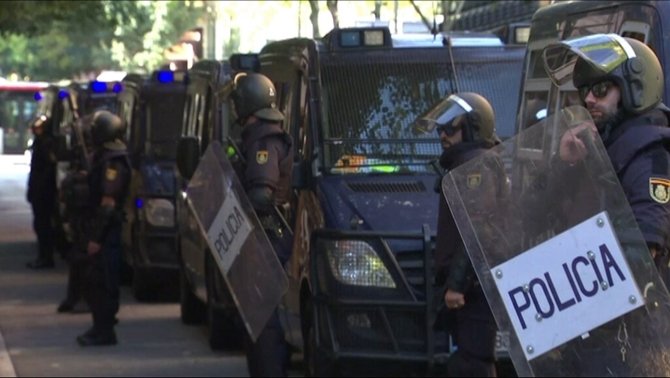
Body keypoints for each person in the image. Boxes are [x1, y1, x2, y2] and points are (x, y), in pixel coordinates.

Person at [541, 33, 670, 375]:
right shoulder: (603, 151)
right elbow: (542, 213)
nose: (589, 100)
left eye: (600, 90)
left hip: (631, 336)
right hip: (595, 328)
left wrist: (577, 292)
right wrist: (564, 164)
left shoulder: (648, 156)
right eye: (585, 93)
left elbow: (645, 244)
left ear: (634, 88)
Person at [424, 92, 505, 377]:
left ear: (472, 128)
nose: (443, 136)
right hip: (473, 285)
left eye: (450, 129)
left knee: (473, 363)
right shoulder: (466, 165)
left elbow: (479, 229)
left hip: (475, 289)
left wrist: (457, 283)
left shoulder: (476, 168)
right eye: (441, 129)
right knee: (469, 360)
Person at [230, 72, 293, 377]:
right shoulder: (263, 137)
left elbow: (261, 196)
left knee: (263, 319)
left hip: (266, 239)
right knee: (256, 318)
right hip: (261, 240)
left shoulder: (264, 143)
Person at [76, 110, 130, 346]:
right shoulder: (104, 157)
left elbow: (108, 203)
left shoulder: (113, 163)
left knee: (104, 281)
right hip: (100, 229)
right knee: (94, 280)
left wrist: (96, 237)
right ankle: (99, 326)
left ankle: (105, 330)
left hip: (107, 233)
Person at [58, 114, 95, 314]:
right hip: (81, 216)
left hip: (92, 218)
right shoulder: (87, 158)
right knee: (77, 258)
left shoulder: (106, 159)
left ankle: (86, 300)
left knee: (88, 262)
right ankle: (74, 297)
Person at [26, 114, 58, 269]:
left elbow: (47, 168)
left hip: (44, 191)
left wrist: (39, 189)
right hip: (40, 189)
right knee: (41, 224)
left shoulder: (46, 143)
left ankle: (46, 257)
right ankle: (43, 256)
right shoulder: (41, 142)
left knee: (43, 225)